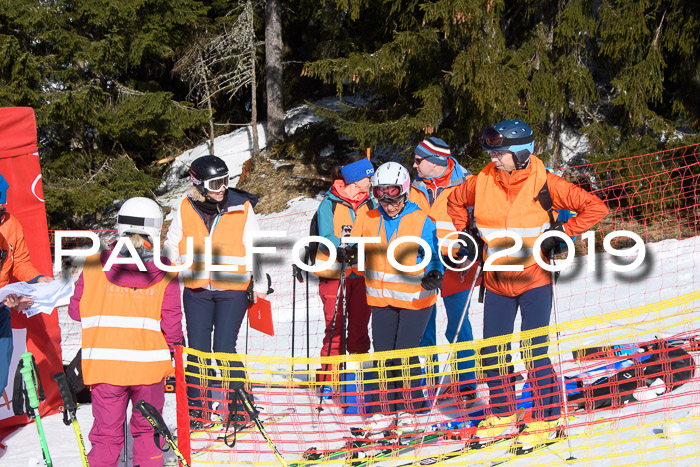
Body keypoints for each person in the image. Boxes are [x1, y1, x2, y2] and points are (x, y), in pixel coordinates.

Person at [447, 119, 609, 449]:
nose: (493, 157)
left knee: (532, 350)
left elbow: (595, 207)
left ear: (521, 154)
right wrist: (468, 235)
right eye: (491, 151)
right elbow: (454, 201)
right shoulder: (482, 181)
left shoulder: (546, 183)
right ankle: (504, 413)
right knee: (492, 351)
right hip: (495, 281)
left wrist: (562, 233)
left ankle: (547, 417)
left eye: (500, 152)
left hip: (535, 279)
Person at [68, 197, 183, 467]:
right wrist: (174, 348)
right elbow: (172, 324)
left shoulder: (94, 265)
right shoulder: (166, 271)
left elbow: (76, 312)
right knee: (148, 431)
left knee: (106, 435)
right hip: (149, 370)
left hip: (105, 369)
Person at [164, 154, 268, 429]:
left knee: (223, 347)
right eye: (214, 183)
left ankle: (239, 407)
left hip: (231, 288)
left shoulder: (241, 206)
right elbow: (173, 243)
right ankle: (198, 411)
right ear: (197, 183)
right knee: (197, 352)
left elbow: (254, 245)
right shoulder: (186, 206)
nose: (222, 187)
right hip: (197, 289)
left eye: (224, 181)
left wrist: (258, 283)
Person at [349, 162, 444, 434]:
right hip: (381, 299)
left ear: (404, 194)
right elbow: (357, 253)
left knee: (404, 354)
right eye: (382, 198)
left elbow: (434, 256)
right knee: (382, 355)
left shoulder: (422, 220)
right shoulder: (367, 218)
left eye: (394, 199)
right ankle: (382, 410)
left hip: (416, 298)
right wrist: (348, 256)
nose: (388, 206)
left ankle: (411, 409)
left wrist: (435, 273)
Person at [409, 137, 480, 403]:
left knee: (458, 324)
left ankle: (466, 381)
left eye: (419, 160)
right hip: (423, 263)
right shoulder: (413, 186)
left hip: (456, 263)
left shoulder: (467, 183)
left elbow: (481, 217)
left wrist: (472, 245)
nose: (414, 164)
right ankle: (430, 381)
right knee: (424, 325)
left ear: (436, 161)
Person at [311, 155, 375, 393]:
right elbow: (326, 236)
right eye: (369, 176)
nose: (372, 180)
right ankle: (329, 380)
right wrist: (346, 248)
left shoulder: (371, 203)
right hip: (333, 274)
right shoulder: (329, 203)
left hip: (360, 274)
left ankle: (362, 379)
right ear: (357, 180)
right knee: (335, 328)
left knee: (359, 329)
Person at [0, 174, 52, 395]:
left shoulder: (10, 224)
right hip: (5, 302)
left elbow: (19, 261)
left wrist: (38, 278)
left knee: (1, 375)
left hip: (2, 307)